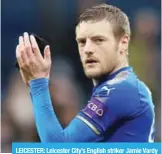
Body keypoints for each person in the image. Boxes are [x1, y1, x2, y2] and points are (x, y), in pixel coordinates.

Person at [16, 4, 155, 142]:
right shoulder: (117, 87)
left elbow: (57, 147)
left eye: (98, 40)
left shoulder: (121, 90)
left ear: (123, 43)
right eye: (82, 42)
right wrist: (35, 84)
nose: (87, 49)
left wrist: (38, 84)